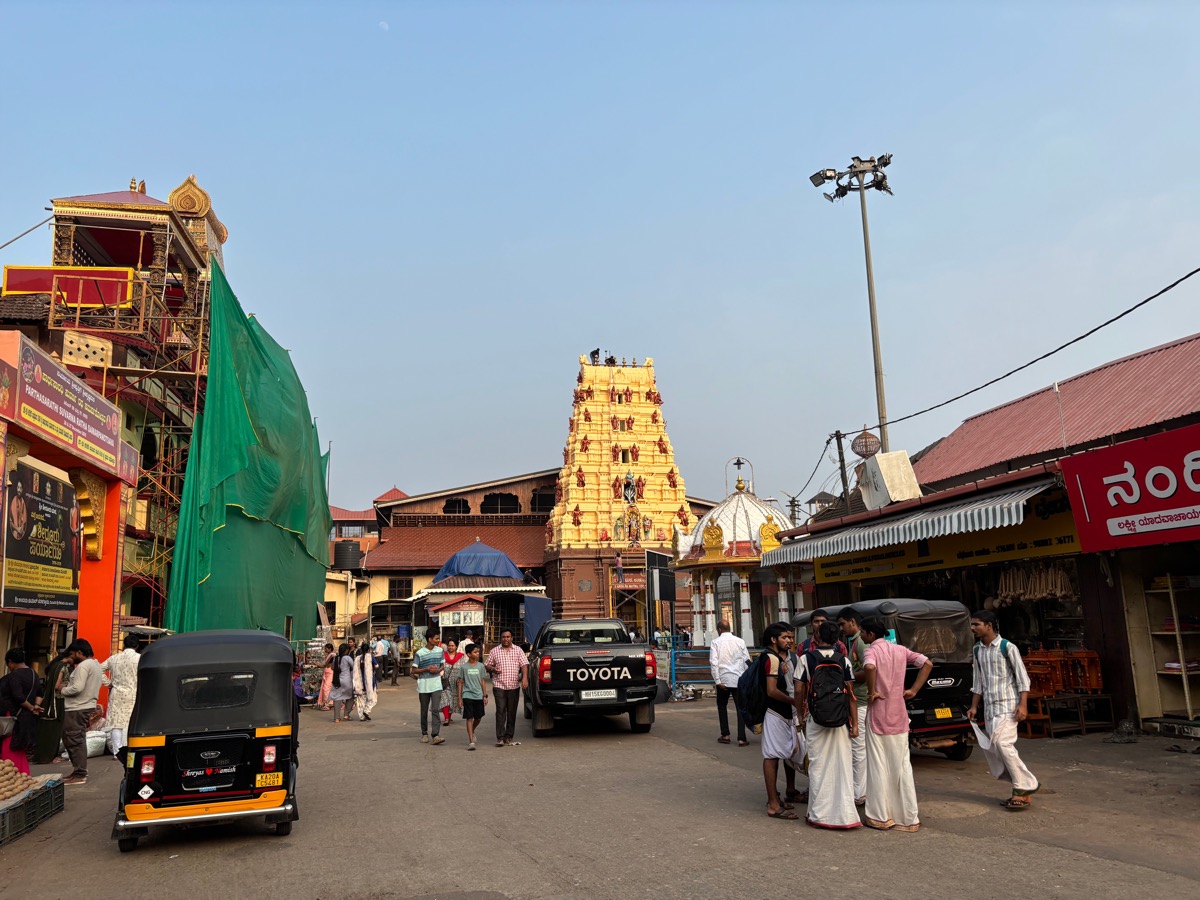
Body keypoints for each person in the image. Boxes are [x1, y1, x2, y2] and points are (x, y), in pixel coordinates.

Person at [862, 616, 932, 832]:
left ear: (871, 634)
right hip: (899, 714)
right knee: (902, 766)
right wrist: (914, 690)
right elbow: (927, 663)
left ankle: (881, 816)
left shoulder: (871, 651)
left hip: (878, 715)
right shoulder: (901, 650)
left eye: (863, 632)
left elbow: (870, 667)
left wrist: (872, 691)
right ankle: (908, 817)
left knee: (878, 766)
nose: (861, 636)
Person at [967, 609, 1039, 810]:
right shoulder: (977, 650)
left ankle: (1023, 787)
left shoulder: (1008, 647)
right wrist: (974, 706)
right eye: (972, 624)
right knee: (997, 749)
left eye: (976, 624)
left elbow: (1022, 678)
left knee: (1002, 743)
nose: (972, 628)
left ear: (989, 625)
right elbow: (978, 681)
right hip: (990, 708)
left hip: (1009, 706)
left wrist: (1023, 705)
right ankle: (1023, 789)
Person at [797, 622, 860, 829]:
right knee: (842, 765)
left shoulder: (806, 659)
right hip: (841, 720)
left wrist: (800, 715)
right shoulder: (844, 660)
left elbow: (798, 690)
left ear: (817, 636)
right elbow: (851, 695)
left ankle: (819, 814)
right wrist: (855, 725)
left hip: (815, 719)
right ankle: (845, 815)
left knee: (818, 765)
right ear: (837, 639)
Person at [759, 622, 804, 819]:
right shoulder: (771, 658)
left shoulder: (790, 657)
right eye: (785, 637)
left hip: (788, 712)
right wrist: (794, 701)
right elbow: (771, 690)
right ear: (773, 639)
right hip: (775, 712)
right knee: (772, 755)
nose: (789, 641)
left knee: (789, 750)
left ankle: (789, 791)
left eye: (791, 637)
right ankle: (773, 803)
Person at [837, 607, 870, 806]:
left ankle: (860, 793)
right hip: (858, 700)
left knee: (859, 749)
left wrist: (845, 677)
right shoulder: (855, 642)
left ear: (852, 622)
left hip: (861, 701)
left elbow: (869, 671)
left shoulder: (860, 643)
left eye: (843, 624)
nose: (841, 628)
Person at [58, 639, 101, 786]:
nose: (71, 657)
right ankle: (78, 771)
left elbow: (77, 688)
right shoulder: (95, 664)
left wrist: (62, 689)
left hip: (78, 706)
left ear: (79, 652)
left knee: (74, 739)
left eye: (72, 654)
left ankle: (80, 773)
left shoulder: (84, 666)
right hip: (85, 705)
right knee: (76, 738)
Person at [484, 629, 528, 747]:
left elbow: (524, 664)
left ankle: (509, 736)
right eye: (504, 637)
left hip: (514, 686)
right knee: (500, 711)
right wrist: (493, 669)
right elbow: (487, 665)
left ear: (511, 638)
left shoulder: (518, 650)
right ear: (501, 638)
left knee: (511, 712)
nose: (506, 639)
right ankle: (500, 737)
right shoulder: (494, 651)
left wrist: (525, 678)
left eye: (508, 637)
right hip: (499, 685)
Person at [1, 649, 42, 775]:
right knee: (20, 749)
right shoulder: (33, 673)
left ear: (10, 662)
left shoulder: (14, 675)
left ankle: (12, 775)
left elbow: (18, 696)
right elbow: (40, 693)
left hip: (13, 717)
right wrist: (35, 706)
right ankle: (24, 774)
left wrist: (31, 707)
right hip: (27, 717)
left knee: (9, 747)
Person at [709, 621, 750, 746]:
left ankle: (725, 735)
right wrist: (746, 678)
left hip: (723, 680)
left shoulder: (715, 642)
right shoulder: (740, 641)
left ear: (719, 629)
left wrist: (717, 680)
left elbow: (714, 663)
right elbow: (747, 661)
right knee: (740, 708)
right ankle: (742, 738)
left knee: (722, 707)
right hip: (738, 679)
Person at [100, 633, 140, 758]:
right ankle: (128, 749)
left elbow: (99, 669)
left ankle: (116, 752)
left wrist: (108, 683)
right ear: (137, 646)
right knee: (129, 722)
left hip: (116, 693)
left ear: (123, 645)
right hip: (133, 693)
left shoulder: (114, 658)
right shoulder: (139, 658)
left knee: (116, 724)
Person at [34, 649, 71, 764]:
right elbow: (56, 685)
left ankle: (46, 756)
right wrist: (69, 686)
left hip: (51, 700)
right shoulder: (62, 667)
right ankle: (50, 756)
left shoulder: (55, 666)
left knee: (49, 729)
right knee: (54, 729)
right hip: (57, 701)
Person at [413, 627, 446, 744]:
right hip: (423, 685)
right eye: (436, 638)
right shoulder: (420, 653)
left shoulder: (440, 651)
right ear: (429, 639)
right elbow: (413, 670)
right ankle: (424, 733)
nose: (438, 640)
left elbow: (442, 665)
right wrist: (426, 669)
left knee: (435, 709)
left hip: (436, 684)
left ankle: (435, 735)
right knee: (424, 710)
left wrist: (438, 670)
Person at [457, 642, 489, 750]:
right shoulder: (463, 667)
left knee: (478, 717)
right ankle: (471, 741)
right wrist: (460, 698)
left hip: (478, 695)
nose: (478, 654)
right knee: (469, 717)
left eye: (478, 652)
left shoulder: (481, 666)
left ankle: (472, 730)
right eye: (475, 652)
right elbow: (460, 682)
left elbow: (482, 681)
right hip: (467, 695)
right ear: (469, 654)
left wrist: (485, 695)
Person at [439, 639, 465, 726]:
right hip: (444, 681)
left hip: (456, 682)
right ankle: (446, 718)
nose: (450, 647)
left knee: (452, 701)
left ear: (456, 646)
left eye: (452, 645)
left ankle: (449, 717)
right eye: (449, 645)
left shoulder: (461, 657)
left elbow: (464, 668)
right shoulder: (442, 655)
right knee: (445, 699)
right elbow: (439, 666)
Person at [329, 643, 355, 723]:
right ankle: (346, 714)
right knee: (350, 697)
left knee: (337, 698)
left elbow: (332, 668)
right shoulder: (347, 658)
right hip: (347, 681)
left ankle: (336, 718)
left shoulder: (335, 658)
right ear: (346, 650)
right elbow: (354, 667)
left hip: (337, 681)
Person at [354, 643, 377, 721]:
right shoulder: (370, 656)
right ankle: (366, 710)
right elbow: (376, 666)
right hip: (370, 681)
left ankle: (361, 716)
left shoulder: (357, 658)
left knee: (361, 699)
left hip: (359, 682)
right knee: (373, 699)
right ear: (368, 650)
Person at [317, 643, 335, 710]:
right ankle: (329, 703)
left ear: (330, 649)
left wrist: (319, 665)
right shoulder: (329, 655)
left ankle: (328, 704)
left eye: (326, 648)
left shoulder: (332, 655)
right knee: (326, 688)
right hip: (327, 673)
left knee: (326, 688)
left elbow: (325, 665)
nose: (325, 650)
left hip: (330, 673)